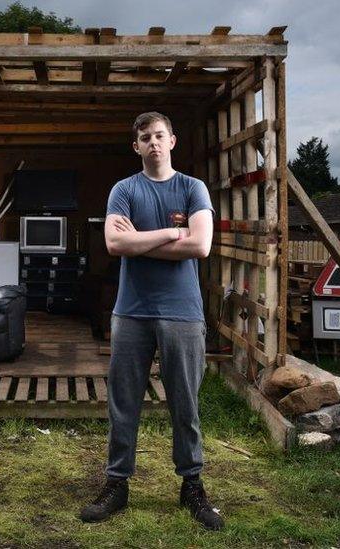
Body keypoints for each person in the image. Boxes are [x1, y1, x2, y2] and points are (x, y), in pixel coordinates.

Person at [79, 112, 222, 530]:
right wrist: (170, 234)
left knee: (185, 403)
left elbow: (201, 245)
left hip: (183, 312)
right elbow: (112, 242)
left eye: (160, 135)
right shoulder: (124, 189)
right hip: (132, 312)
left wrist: (140, 241)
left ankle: (192, 485)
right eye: (145, 137)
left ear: (172, 141)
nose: (153, 143)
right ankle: (116, 484)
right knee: (123, 403)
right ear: (136, 146)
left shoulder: (192, 188)